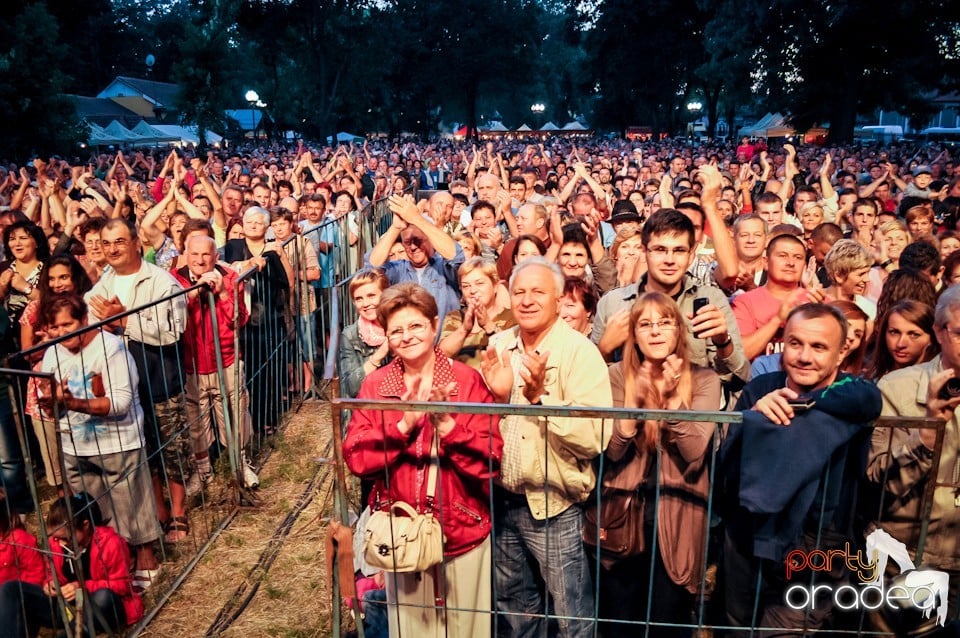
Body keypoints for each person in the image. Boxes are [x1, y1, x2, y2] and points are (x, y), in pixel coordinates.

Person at [343, 283, 503, 638]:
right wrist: (403, 426)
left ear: (434, 326)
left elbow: (491, 457)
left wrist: (449, 428)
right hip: (403, 533)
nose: (407, 336)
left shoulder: (466, 381)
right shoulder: (376, 385)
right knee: (413, 629)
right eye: (396, 330)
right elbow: (356, 458)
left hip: (461, 531)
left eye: (415, 326)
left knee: (466, 629)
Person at [719, 303, 882, 634]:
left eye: (819, 347)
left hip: (817, 544)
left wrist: (802, 405)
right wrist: (754, 418)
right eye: (796, 343)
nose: (804, 356)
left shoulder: (852, 393)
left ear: (841, 353)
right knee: (735, 629)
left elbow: (869, 398)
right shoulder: (761, 389)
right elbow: (726, 467)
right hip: (748, 536)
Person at [481, 257, 613, 638]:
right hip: (502, 500)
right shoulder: (499, 346)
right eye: (519, 291)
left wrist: (541, 400)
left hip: (554, 507)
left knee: (571, 612)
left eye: (538, 291)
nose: (527, 300)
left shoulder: (579, 352)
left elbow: (595, 437)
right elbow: (480, 421)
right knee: (516, 609)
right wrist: (502, 399)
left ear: (558, 300)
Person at [591, 292, 721, 635]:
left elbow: (694, 450)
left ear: (679, 330)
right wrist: (635, 402)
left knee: (668, 622)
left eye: (665, 322)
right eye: (645, 324)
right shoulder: (615, 375)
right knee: (620, 624)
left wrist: (672, 399)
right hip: (622, 515)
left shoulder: (706, 379)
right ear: (633, 333)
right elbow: (613, 452)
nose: (656, 331)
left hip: (677, 517)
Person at [85, 217, 193, 558]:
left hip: (159, 375)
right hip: (123, 384)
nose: (113, 249)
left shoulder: (161, 282)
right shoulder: (102, 284)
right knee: (143, 449)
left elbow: (173, 329)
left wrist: (125, 321)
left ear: (136, 244)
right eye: (106, 243)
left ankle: (177, 511)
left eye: (119, 241)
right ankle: (156, 508)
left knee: (171, 446)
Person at [38, 294, 160, 591]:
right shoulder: (52, 353)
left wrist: (73, 402)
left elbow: (120, 402)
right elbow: (50, 403)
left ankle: (145, 557)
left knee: (131, 503)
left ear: (84, 321)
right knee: (95, 512)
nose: (61, 333)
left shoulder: (112, 348)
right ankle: (112, 565)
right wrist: (50, 402)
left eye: (68, 325)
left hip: (117, 441)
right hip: (75, 445)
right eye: (55, 328)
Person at [868, 285, 960, 627]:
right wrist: (927, 432)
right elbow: (878, 481)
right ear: (939, 331)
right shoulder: (896, 388)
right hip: (903, 558)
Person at [593, 209, 749, 401]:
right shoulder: (613, 303)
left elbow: (738, 379)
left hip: (693, 419)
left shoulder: (712, 300)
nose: (669, 260)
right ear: (644, 251)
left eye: (679, 250)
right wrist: (604, 349)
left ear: (691, 254)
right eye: (660, 250)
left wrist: (723, 342)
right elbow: (590, 385)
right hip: (630, 421)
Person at [172, 234, 258, 496]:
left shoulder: (231, 278)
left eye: (206, 254)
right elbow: (172, 315)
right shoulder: (174, 280)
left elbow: (239, 320)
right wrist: (195, 292)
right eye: (194, 254)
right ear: (186, 254)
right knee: (196, 420)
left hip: (227, 359)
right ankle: (202, 469)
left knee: (235, 412)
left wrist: (221, 293)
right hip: (192, 363)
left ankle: (240, 462)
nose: (200, 260)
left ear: (216, 256)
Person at [0, 493, 143, 637]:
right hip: (69, 608)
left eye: (64, 538)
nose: (59, 543)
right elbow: (50, 573)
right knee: (11, 589)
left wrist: (82, 587)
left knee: (103, 597)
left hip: (99, 607)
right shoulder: (55, 544)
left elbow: (122, 586)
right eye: (54, 537)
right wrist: (50, 583)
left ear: (86, 526)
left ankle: (76, 631)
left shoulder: (110, 544)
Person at [20, 254, 92, 492]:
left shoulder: (85, 305)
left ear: (75, 278)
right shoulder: (35, 308)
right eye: (52, 279)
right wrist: (51, 343)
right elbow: (26, 354)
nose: (57, 284)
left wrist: (63, 339)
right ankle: (70, 512)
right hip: (44, 391)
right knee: (57, 464)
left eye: (63, 277)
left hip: (83, 387)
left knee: (87, 458)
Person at [223, 206, 293, 435]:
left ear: (266, 227)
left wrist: (280, 253)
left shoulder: (272, 250)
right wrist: (248, 264)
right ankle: (255, 419)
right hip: (245, 320)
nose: (253, 225)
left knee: (273, 367)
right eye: (249, 221)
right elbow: (228, 271)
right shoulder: (234, 246)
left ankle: (271, 416)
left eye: (258, 222)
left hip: (271, 317)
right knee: (252, 370)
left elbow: (288, 282)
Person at [367, 194, 465, 328]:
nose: (413, 247)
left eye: (418, 241)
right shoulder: (398, 269)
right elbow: (371, 268)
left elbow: (457, 257)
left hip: (445, 344)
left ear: (430, 240)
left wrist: (417, 219)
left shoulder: (443, 267)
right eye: (407, 242)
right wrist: (396, 227)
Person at [732, 233, 814, 360]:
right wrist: (778, 319)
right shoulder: (745, 302)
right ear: (766, 262)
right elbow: (740, 354)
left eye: (798, 257)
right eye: (782, 256)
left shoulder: (817, 301)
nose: (791, 263)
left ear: (804, 264)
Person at [438, 257, 514, 369]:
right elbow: (442, 355)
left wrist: (488, 325)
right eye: (466, 286)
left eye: (479, 283)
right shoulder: (455, 317)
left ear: (495, 286)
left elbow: (512, 356)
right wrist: (464, 329)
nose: (472, 291)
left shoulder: (511, 317)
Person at [338, 269, 391, 399]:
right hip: (369, 404)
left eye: (371, 296)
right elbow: (351, 388)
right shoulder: (350, 335)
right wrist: (379, 355)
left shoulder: (401, 325)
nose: (365, 304)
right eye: (359, 299)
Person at [865, 300, 938, 380]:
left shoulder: (935, 381)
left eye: (914, 335)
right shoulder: (869, 377)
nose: (900, 344)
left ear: (931, 338)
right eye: (894, 332)